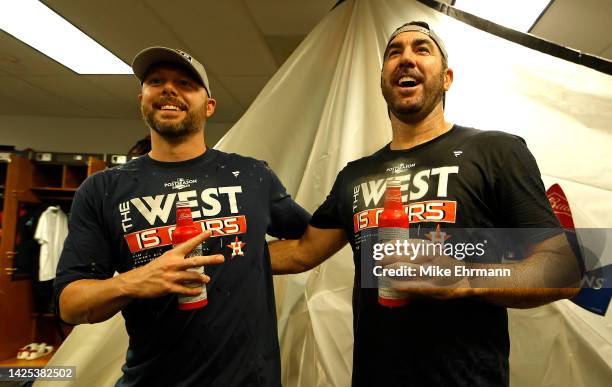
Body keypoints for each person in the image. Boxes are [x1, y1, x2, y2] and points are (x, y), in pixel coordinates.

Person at [270, 21, 581, 387]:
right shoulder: (355, 175)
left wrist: (465, 280)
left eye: (422, 49)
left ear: (446, 78)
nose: (406, 59)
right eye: (394, 52)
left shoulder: (496, 151)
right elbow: (303, 251)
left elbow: (564, 270)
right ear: (383, 79)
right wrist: (219, 255)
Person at [55, 47, 310, 386]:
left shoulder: (251, 175)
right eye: (156, 81)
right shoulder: (102, 189)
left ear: (209, 105)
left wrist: (249, 258)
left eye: (186, 83)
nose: (169, 89)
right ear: (142, 98)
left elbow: (309, 241)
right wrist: (136, 280)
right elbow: (70, 305)